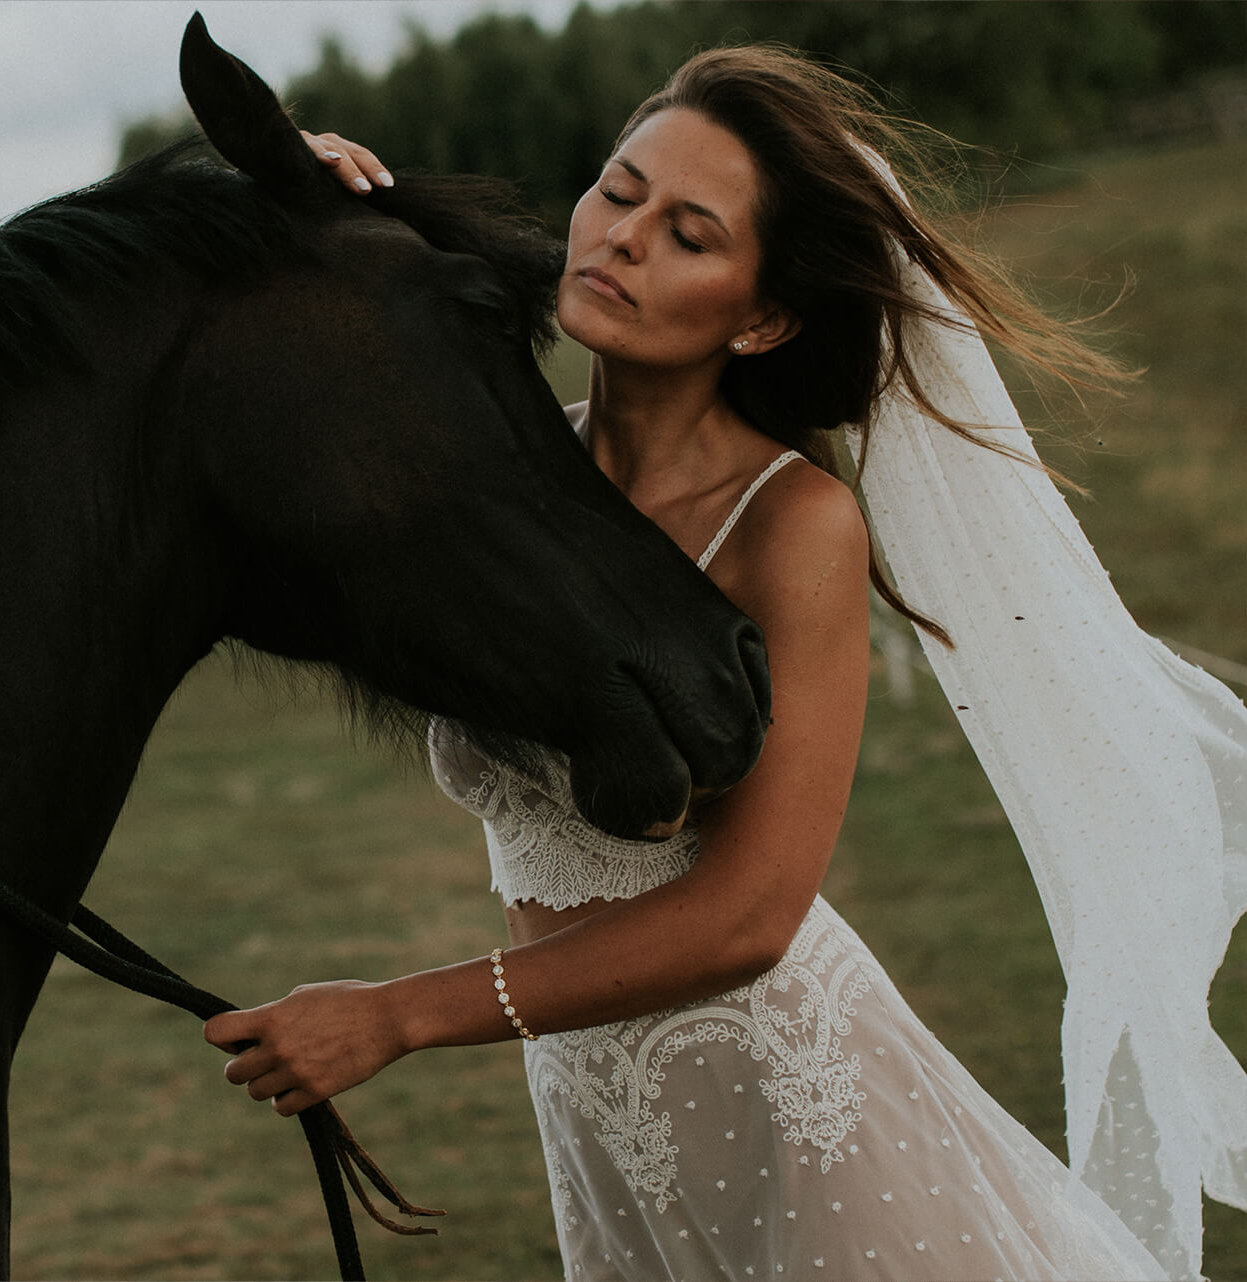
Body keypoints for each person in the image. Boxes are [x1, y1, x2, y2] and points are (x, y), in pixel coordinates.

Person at [202, 44, 1247, 1282]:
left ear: (763, 315)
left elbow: (753, 911)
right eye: (619, 188)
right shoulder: (514, 484)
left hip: (796, 1107)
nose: (624, 236)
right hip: (595, 1103)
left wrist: (396, 1013)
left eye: (689, 232)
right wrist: (298, 219)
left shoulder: (793, 525)